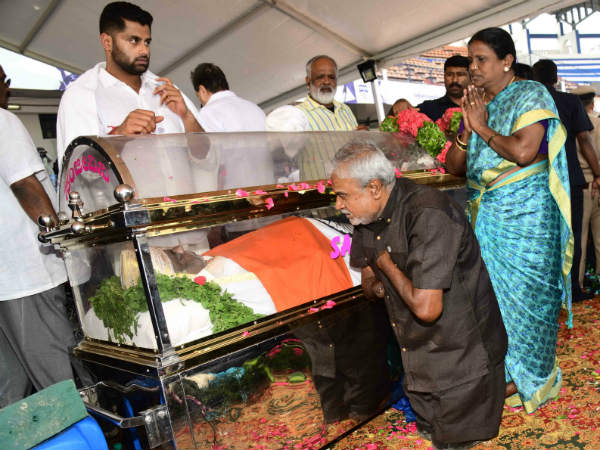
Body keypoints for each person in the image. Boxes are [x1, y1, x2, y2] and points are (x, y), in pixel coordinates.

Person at [331, 142, 507, 450]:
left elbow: (427, 309)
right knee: (429, 434)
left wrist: (386, 264)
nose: (337, 205)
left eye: (343, 195)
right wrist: (380, 284)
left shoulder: (428, 214)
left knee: (455, 443)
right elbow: (368, 278)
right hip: (418, 364)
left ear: (374, 188)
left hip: (464, 364)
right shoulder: (366, 217)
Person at [446, 28, 572, 413]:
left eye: (481, 59)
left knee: (528, 296)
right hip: (487, 215)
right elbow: (454, 167)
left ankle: (531, 376)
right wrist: (467, 128)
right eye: (470, 59)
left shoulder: (531, 93)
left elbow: (523, 152)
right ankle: (500, 371)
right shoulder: (477, 102)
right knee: (492, 299)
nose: (472, 67)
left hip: (528, 215)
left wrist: (482, 125)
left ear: (506, 61)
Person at [0, 64, 81, 407]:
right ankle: (76, 432)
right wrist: (63, 241)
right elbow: (25, 185)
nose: (8, 88)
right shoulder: (3, 121)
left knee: (12, 389)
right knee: (58, 380)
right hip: (28, 276)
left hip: (6, 282)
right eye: (3, 81)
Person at [56, 1, 202, 169]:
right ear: (107, 42)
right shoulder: (82, 95)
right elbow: (78, 172)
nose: (144, 51)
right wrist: (119, 135)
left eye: (147, 42)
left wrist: (187, 117)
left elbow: (207, 157)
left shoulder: (166, 88)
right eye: (134, 41)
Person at [533, 59, 600, 302]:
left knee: (542, 238)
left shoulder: (529, 101)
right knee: (573, 235)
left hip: (536, 179)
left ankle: (547, 292)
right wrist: (598, 173)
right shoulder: (570, 102)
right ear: (556, 77)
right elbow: (585, 140)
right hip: (569, 178)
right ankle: (572, 290)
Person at [572, 85, 600, 285]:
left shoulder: (568, 124)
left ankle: (579, 284)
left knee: (579, 241)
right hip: (597, 183)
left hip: (580, 187)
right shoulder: (598, 123)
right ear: (592, 102)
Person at [190, 63, 265, 132]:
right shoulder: (255, 108)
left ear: (202, 91)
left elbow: (207, 142)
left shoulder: (207, 112)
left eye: (198, 96)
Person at [297, 55, 364, 131]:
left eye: (331, 77)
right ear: (308, 81)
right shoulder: (298, 114)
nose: (327, 82)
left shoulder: (345, 109)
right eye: (320, 77)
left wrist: (362, 135)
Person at [417, 55, 470, 121]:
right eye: (449, 75)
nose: (454, 80)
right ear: (444, 77)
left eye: (460, 75)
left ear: (470, 77)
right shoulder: (428, 108)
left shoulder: (479, 109)